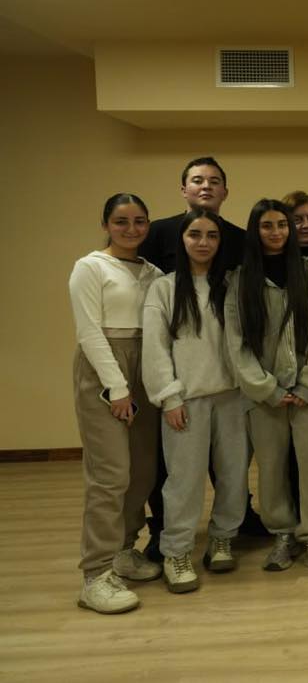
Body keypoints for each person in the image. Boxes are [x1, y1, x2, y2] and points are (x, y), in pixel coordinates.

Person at [138, 156, 251, 560]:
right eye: (195, 235)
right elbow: (155, 349)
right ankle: (177, 551)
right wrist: (169, 397)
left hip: (233, 398)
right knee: (183, 481)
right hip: (186, 400)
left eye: (211, 236)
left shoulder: (233, 286)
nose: (203, 242)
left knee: (234, 476)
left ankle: (222, 538)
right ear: (182, 240)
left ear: (220, 243)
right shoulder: (164, 289)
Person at [225, 199, 308, 578]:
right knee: (271, 468)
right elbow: (236, 342)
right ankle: (282, 534)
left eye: (282, 225)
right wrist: (267, 389)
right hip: (264, 396)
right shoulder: (240, 279)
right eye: (267, 226)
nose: (276, 232)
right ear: (255, 231)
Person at [71, 194, 163, 614]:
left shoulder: (153, 273)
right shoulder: (90, 267)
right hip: (105, 371)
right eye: (121, 221)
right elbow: (89, 332)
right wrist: (117, 387)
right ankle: (95, 575)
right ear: (106, 224)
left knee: (142, 470)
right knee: (110, 474)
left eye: (139, 221)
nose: (131, 229)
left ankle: (124, 551)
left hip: (146, 367)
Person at [138, 156, 245, 274]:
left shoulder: (242, 238)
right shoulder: (157, 232)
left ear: (225, 193)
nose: (206, 186)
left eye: (214, 182)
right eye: (197, 181)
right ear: (184, 191)